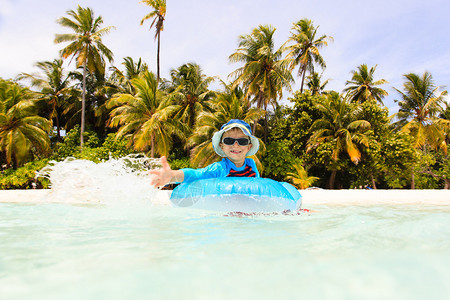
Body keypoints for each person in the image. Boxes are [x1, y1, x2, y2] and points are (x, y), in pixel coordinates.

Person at [150, 119, 260, 188]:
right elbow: (197, 175)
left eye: (242, 141)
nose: (236, 145)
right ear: (222, 146)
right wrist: (172, 176)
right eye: (229, 141)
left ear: (249, 147)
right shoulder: (219, 169)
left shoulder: (252, 166)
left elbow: (259, 188)